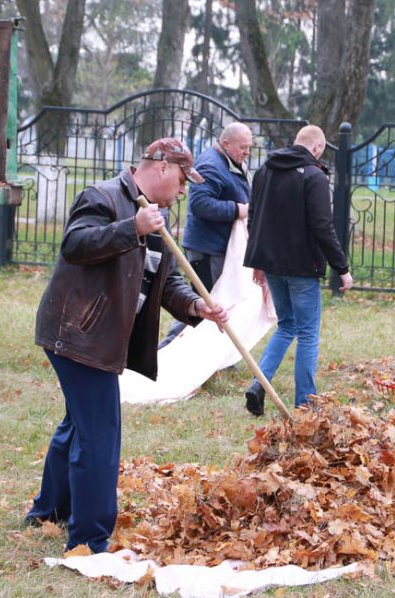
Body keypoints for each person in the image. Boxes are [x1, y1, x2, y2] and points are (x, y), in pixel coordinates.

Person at [27, 137, 229, 554]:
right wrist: (131, 228)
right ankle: (90, 538)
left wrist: (196, 306)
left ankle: (48, 511)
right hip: (79, 334)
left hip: (101, 337)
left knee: (79, 423)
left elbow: (166, 280)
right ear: (162, 167)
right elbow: (75, 244)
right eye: (182, 180)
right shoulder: (102, 197)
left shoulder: (157, 218)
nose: (184, 190)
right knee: (100, 434)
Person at [242, 125, 353, 415]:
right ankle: (305, 402)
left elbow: (254, 217)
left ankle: (259, 384)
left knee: (287, 326)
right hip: (302, 267)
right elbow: (322, 226)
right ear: (317, 148)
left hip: (273, 265)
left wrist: (258, 261)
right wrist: (342, 268)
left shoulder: (265, 170)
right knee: (307, 334)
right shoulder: (314, 176)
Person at [160, 122, 253, 348]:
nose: (247, 152)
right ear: (226, 143)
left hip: (217, 247)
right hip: (207, 249)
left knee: (212, 304)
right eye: (243, 147)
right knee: (206, 305)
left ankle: (214, 357)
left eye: (249, 147)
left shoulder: (231, 162)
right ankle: (166, 349)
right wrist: (238, 209)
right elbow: (200, 204)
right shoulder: (211, 165)